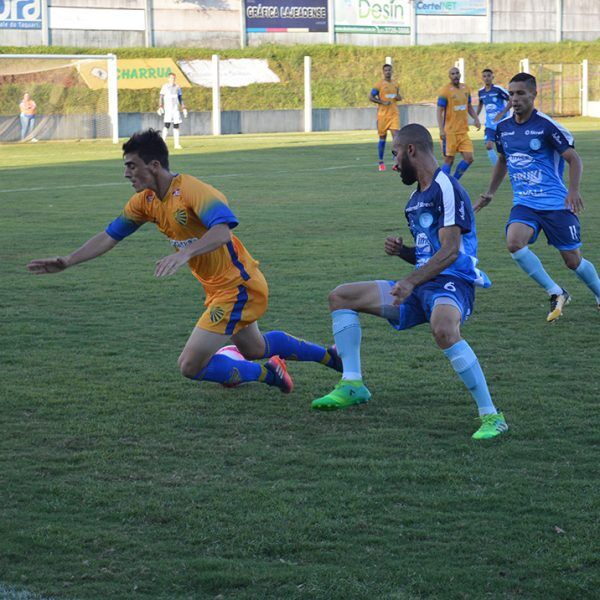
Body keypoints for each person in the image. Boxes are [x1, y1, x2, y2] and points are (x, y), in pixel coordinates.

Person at [27, 129, 342, 393]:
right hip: (219, 289)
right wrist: (68, 261)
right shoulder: (145, 202)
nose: (126, 173)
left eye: (131, 166)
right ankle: (328, 357)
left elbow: (222, 230)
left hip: (238, 285)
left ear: (153, 165)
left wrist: (186, 253)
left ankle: (266, 375)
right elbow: (110, 235)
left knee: (190, 365)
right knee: (254, 350)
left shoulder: (193, 191)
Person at [312, 124, 508, 441]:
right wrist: (403, 252)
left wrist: (409, 281)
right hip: (419, 285)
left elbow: (450, 251)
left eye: (395, 153)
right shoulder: (414, 198)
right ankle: (352, 384)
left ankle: (492, 415)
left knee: (444, 328)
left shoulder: (447, 187)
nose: (393, 163)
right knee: (341, 297)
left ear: (411, 150)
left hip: (452, 282)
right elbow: (427, 253)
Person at [475, 72, 600, 321]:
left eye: (521, 93)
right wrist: (490, 192)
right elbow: (502, 159)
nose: (515, 99)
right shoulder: (503, 128)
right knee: (514, 242)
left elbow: (573, 159)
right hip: (525, 203)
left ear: (533, 94)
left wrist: (573, 191)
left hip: (556, 203)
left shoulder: (545, 126)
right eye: (511, 94)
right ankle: (556, 291)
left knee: (573, 261)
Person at [436, 67, 481, 180]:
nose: (455, 75)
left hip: (463, 131)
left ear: (460, 75)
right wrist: (441, 130)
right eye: (452, 74)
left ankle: (454, 181)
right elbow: (439, 111)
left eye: (457, 73)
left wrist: (476, 118)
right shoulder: (445, 91)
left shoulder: (465, 88)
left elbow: (469, 106)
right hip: (449, 132)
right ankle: (442, 184)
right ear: (449, 76)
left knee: (469, 158)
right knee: (449, 160)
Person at [369, 64, 403, 172]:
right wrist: (382, 102)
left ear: (392, 71)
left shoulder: (396, 84)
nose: (388, 72)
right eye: (386, 70)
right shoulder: (378, 85)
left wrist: (398, 97)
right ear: (383, 72)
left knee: (396, 138)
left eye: (389, 70)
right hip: (382, 115)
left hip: (394, 114)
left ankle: (396, 161)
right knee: (382, 139)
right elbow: (371, 97)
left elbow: (398, 96)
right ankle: (381, 161)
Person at [476, 68, 510, 166]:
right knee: (489, 146)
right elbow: (480, 104)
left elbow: (511, 100)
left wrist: (502, 113)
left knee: (503, 149)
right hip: (490, 124)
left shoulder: (498, 89)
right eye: (484, 76)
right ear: (482, 78)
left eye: (489, 76)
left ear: (492, 77)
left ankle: (509, 165)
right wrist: (476, 117)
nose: (487, 78)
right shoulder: (481, 92)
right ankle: (497, 168)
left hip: (502, 124)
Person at [158, 73, 187, 150]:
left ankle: (176, 144)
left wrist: (183, 108)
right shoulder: (165, 87)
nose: (172, 79)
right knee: (167, 125)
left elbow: (180, 98)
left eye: (174, 78)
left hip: (175, 109)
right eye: (171, 78)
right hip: (168, 110)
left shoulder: (177, 87)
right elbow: (161, 97)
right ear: (168, 78)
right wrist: (160, 106)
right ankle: (162, 144)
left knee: (176, 126)